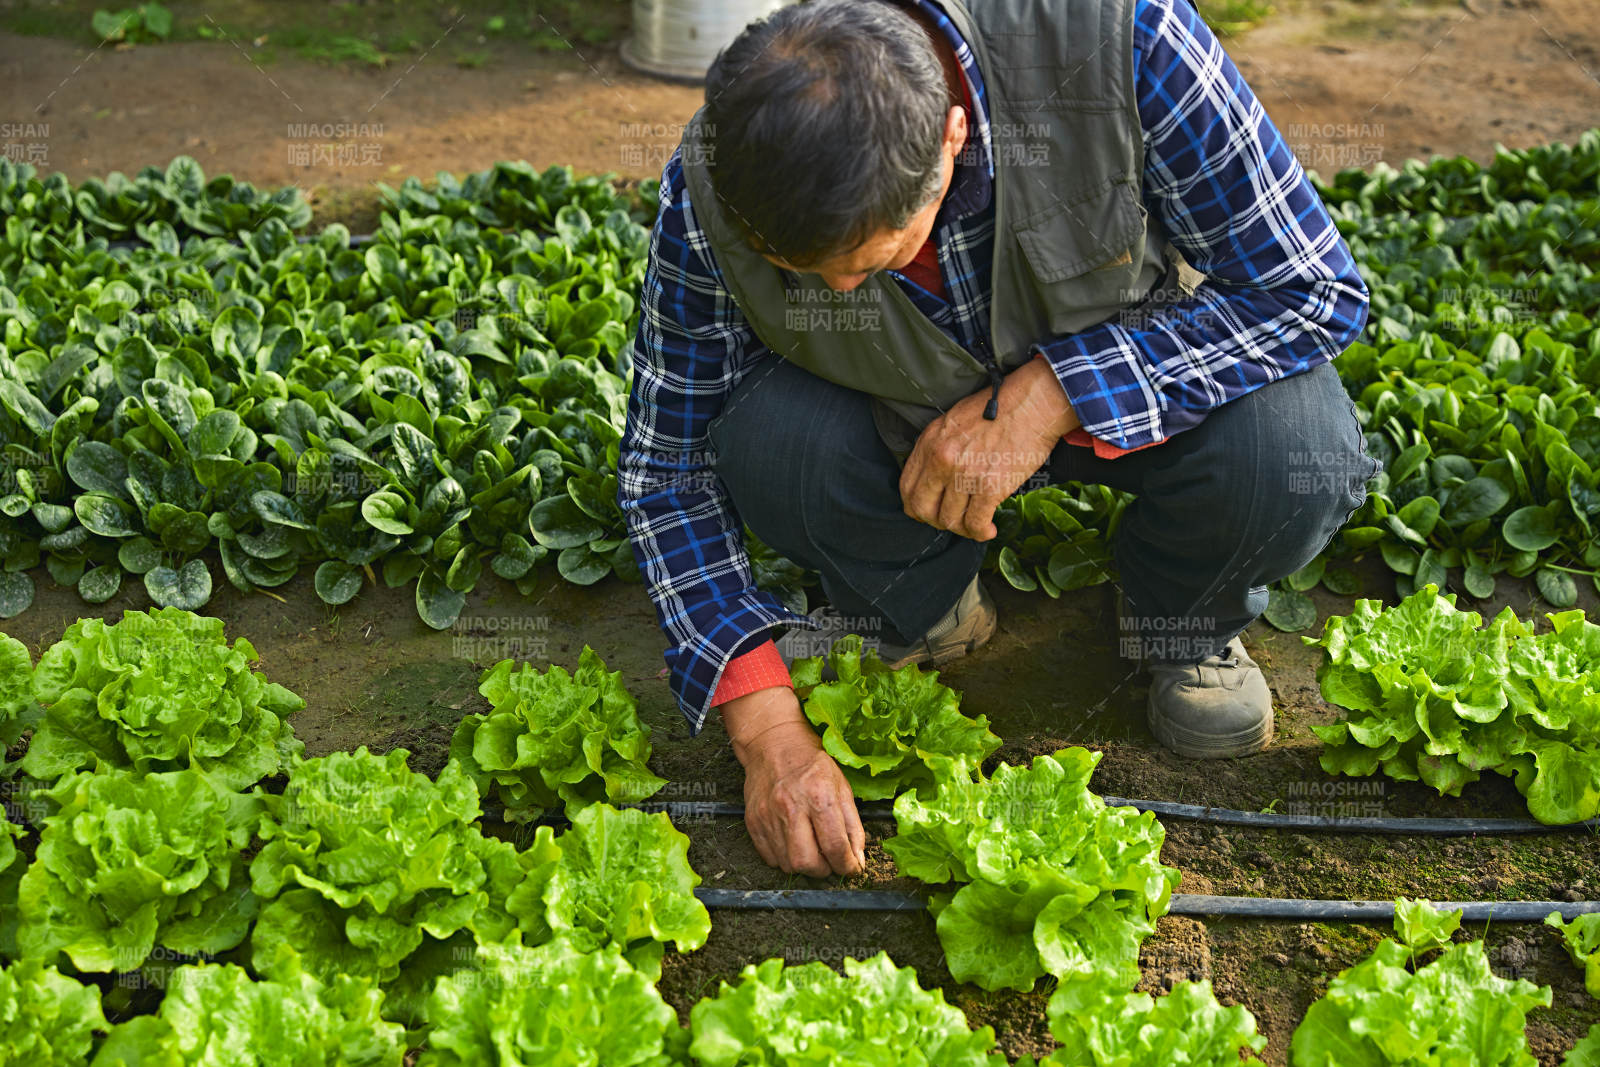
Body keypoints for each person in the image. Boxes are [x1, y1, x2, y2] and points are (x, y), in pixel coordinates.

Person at [617, 0, 1381, 879]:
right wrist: (766, 728)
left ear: (952, 136)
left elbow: (1312, 291)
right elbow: (666, 466)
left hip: (1139, 390)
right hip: (898, 416)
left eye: (869, 262)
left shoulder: (1126, 36)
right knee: (769, 439)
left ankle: (1182, 620)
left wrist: (1053, 395)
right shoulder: (716, 178)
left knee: (1291, 448)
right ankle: (921, 604)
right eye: (805, 273)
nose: (839, 289)